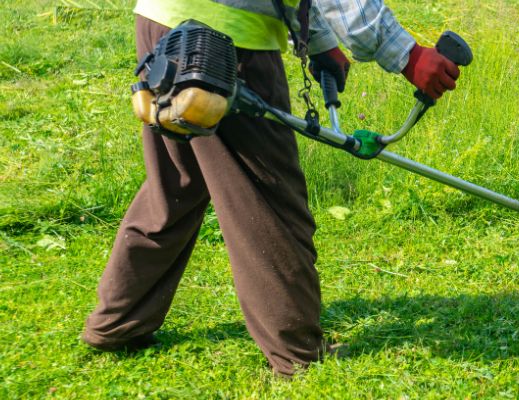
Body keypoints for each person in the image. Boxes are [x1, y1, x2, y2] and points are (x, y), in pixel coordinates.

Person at [81, 0, 461, 378]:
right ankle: (295, 352)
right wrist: (408, 55)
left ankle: (118, 322)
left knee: (176, 185)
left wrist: (317, 39)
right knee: (268, 200)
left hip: (162, 23)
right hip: (226, 40)